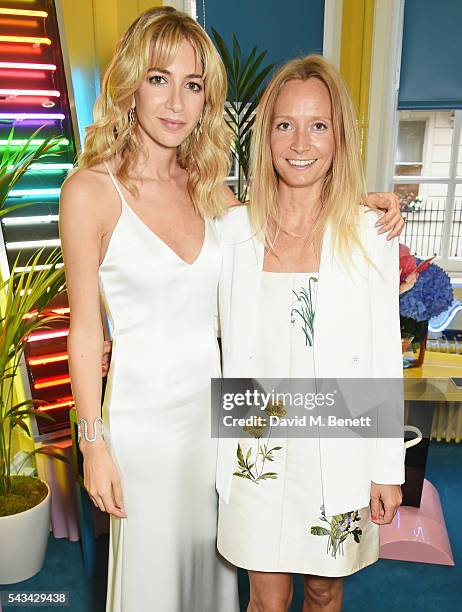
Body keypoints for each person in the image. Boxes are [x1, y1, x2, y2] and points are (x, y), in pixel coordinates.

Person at [59, 7, 239, 612]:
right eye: (160, 78)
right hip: (143, 426)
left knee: (212, 572)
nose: (176, 102)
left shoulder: (213, 188)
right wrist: (93, 445)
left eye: (194, 85)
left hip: (217, 420)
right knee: (153, 587)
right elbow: (85, 333)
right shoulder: (90, 192)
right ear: (131, 83)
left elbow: (290, 241)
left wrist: (363, 212)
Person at [216, 55, 405, 612]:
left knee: (323, 594)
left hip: (338, 447)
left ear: (338, 136)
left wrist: (386, 469)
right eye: (285, 124)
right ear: (266, 136)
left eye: (318, 125)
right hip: (255, 444)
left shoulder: (371, 234)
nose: (300, 142)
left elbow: (380, 358)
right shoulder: (232, 231)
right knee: (265, 600)